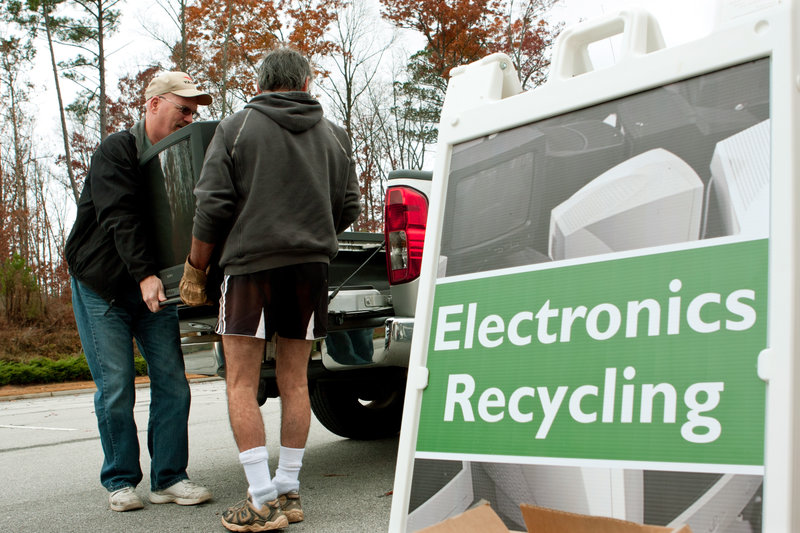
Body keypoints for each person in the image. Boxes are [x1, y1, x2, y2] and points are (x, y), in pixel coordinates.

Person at [179, 47, 360, 532]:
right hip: (310, 270)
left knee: (240, 380)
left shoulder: (236, 128)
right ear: (306, 83)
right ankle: (288, 491)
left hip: (250, 267)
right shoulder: (335, 136)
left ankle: (261, 500)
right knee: (295, 379)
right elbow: (348, 208)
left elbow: (212, 206)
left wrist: (197, 269)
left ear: (260, 84)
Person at [65, 71, 214, 512]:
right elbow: (119, 216)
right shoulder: (117, 150)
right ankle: (120, 480)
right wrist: (146, 275)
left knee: (173, 382)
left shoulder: (177, 159)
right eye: (181, 108)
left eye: (193, 112)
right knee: (116, 386)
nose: (188, 117)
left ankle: (168, 478)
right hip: (103, 286)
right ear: (152, 104)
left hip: (153, 289)